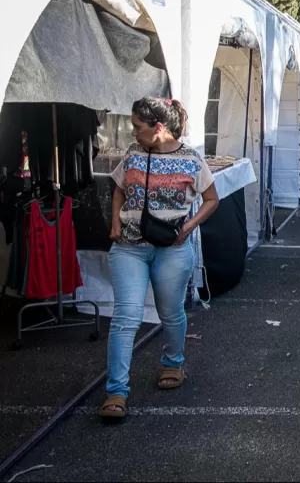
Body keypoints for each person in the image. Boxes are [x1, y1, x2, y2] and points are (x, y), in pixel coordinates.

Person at [100, 98, 219, 419]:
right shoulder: (133, 154)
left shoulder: (192, 160)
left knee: (171, 313)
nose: (133, 132)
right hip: (128, 247)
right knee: (125, 318)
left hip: (172, 248)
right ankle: (116, 391)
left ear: (159, 128)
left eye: (138, 127)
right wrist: (115, 222)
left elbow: (211, 199)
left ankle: (172, 362)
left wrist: (189, 227)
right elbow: (119, 189)